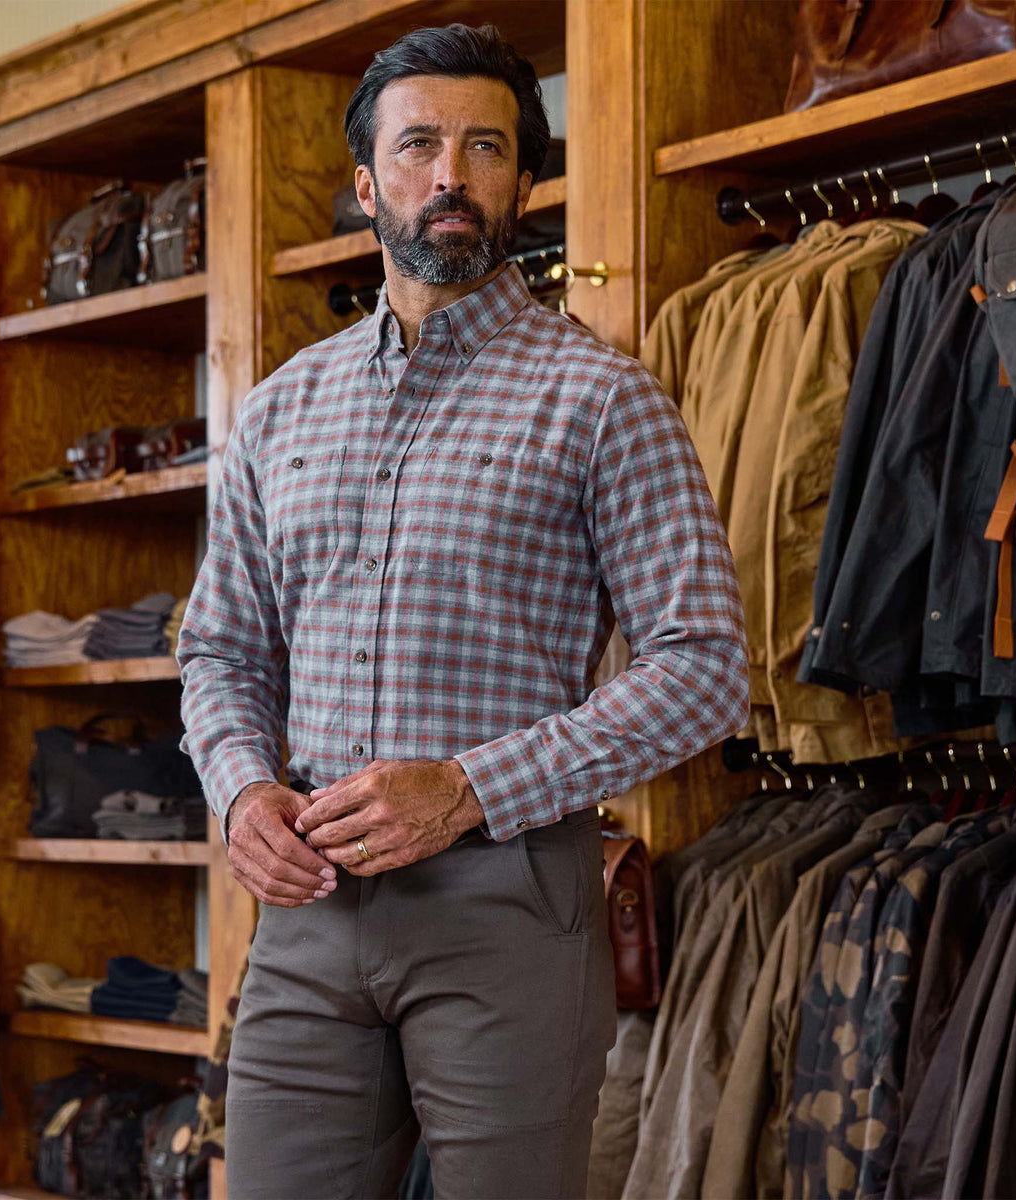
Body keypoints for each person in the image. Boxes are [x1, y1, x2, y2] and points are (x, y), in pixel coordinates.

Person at [177, 21, 748, 1199]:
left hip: (510, 901)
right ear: (366, 182)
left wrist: (471, 788)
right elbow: (220, 648)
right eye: (420, 144)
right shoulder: (281, 412)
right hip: (310, 910)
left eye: (487, 148)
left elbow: (704, 667)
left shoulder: (603, 400)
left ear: (523, 182)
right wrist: (238, 789)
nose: (451, 175)